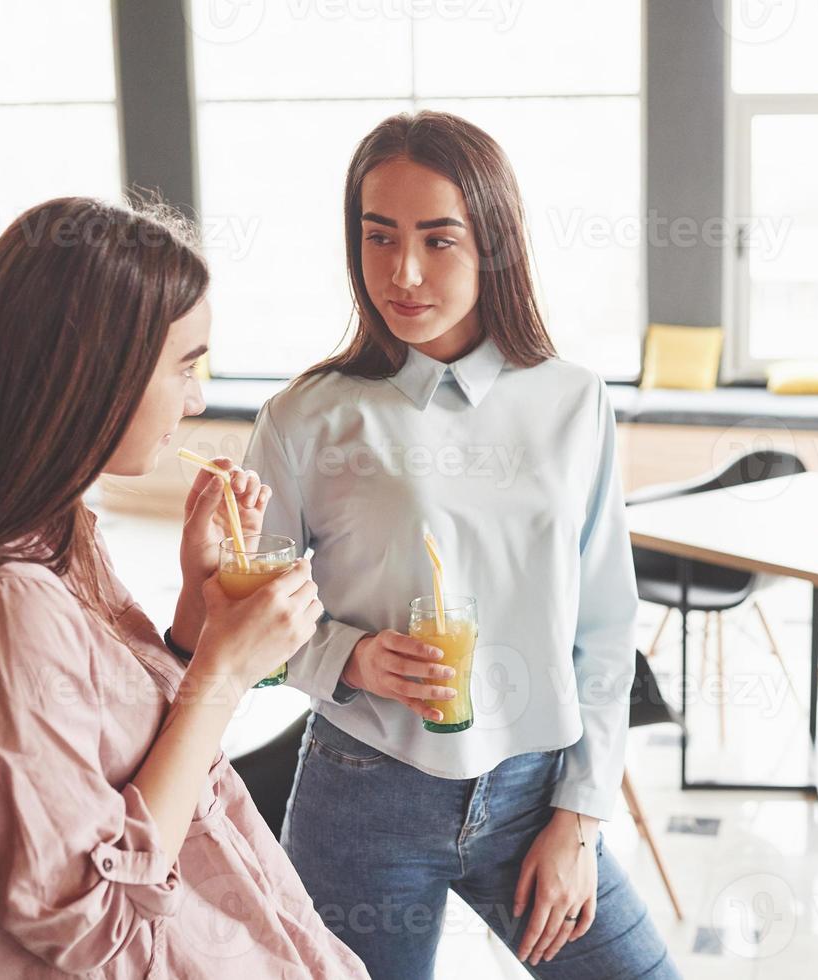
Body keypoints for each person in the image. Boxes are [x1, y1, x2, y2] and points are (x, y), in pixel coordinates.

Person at [0, 197, 369, 979]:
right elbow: (100, 928)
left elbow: (122, 762)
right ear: (94, 375)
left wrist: (197, 619)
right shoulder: (4, 607)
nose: (194, 399)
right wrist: (223, 675)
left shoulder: (59, 537)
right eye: (184, 365)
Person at [242, 111, 681, 979]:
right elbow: (247, 638)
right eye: (379, 238)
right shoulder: (305, 416)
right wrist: (351, 658)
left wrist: (579, 817)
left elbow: (603, 621)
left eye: (438, 240)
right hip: (361, 794)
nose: (401, 274)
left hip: (533, 793)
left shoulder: (573, 401)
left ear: (494, 244)